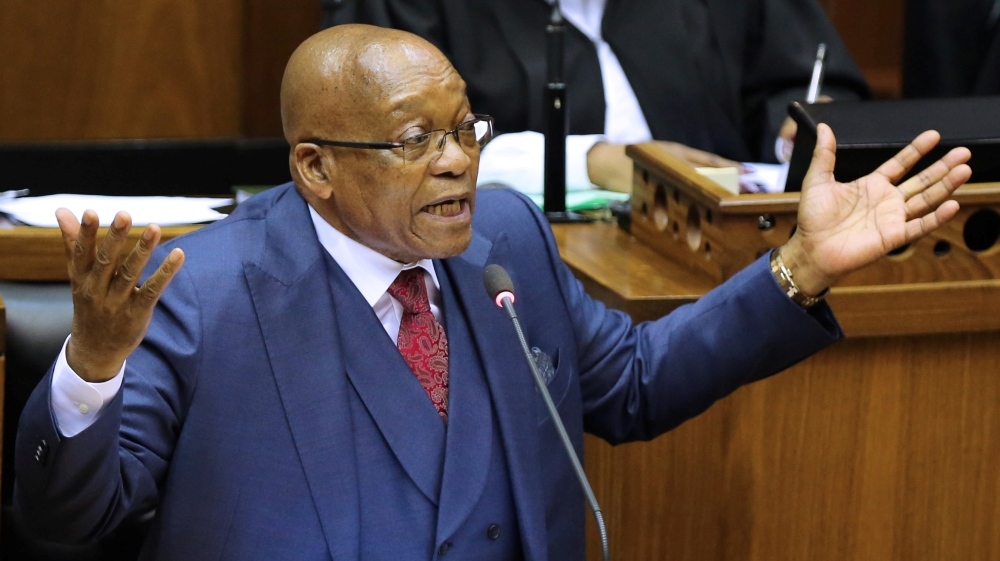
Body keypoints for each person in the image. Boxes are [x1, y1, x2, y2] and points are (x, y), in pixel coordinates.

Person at [14, 24, 969, 560]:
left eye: (465, 129)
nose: (456, 163)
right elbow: (70, 518)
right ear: (314, 167)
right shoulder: (207, 290)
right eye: (414, 141)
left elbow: (634, 384)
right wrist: (93, 364)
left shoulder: (505, 240)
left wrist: (801, 265)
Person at [356, 0, 871, 192]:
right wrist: (595, 162)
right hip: (508, 272)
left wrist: (799, 130)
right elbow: (390, 152)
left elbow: (799, 81)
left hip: (724, 248)